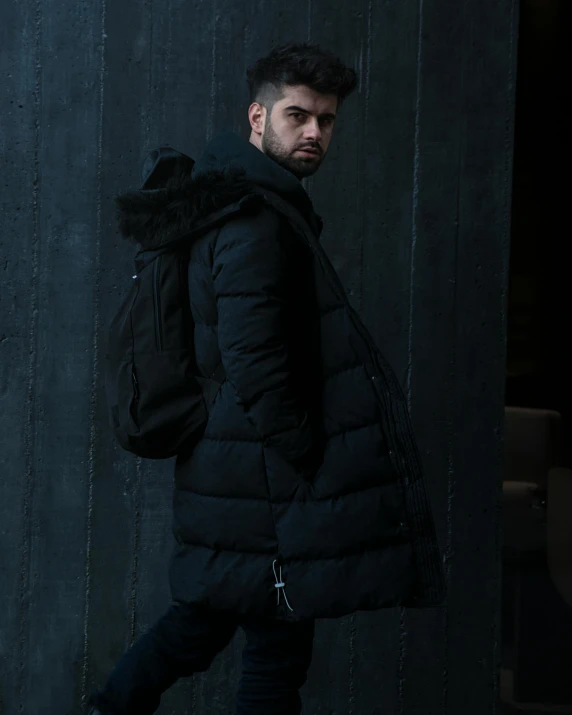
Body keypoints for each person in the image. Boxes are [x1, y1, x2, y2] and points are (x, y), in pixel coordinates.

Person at [89, 42, 445, 715]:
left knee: (205, 623)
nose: (314, 132)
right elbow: (254, 360)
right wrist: (302, 449)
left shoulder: (241, 204)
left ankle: (111, 705)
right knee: (272, 653)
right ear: (257, 117)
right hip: (265, 480)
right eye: (297, 115)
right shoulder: (253, 220)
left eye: (327, 120)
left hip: (240, 473)